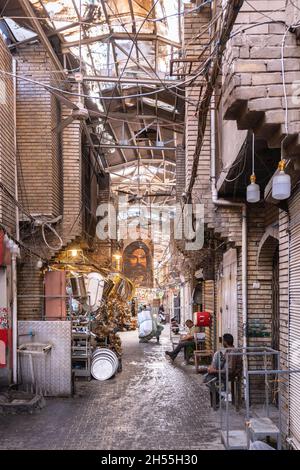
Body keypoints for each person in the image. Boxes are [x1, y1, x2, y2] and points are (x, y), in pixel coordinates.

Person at [203, 333, 242, 406]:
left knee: (210, 379)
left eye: (223, 341)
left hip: (232, 374)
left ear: (225, 342)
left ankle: (220, 394)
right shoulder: (228, 350)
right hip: (224, 371)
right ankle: (218, 396)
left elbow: (230, 371)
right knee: (208, 376)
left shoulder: (233, 352)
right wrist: (212, 367)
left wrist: (215, 371)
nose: (222, 342)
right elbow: (223, 361)